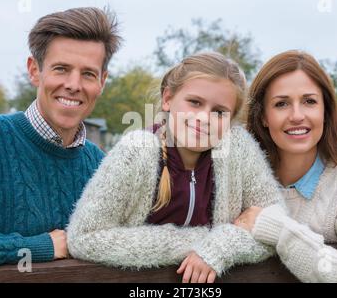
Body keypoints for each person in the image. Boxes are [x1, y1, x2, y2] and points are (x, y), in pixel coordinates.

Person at [67, 52, 284, 283]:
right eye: (195, 102)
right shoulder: (135, 152)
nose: (204, 118)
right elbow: (84, 237)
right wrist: (197, 242)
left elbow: (276, 228)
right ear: (168, 99)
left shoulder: (238, 149)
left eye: (219, 112)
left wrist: (221, 247)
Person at [0, 7, 121, 267]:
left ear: (102, 81)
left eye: (88, 73)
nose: (74, 85)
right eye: (61, 69)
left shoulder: (100, 165)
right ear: (34, 71)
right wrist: (36, 246)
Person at [235, 50, 337, 282]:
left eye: (309, 101)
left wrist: (279, 230)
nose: (297, 115)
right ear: (263, 116)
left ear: (325, 111)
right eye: (281, 104)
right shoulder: (236, 185)